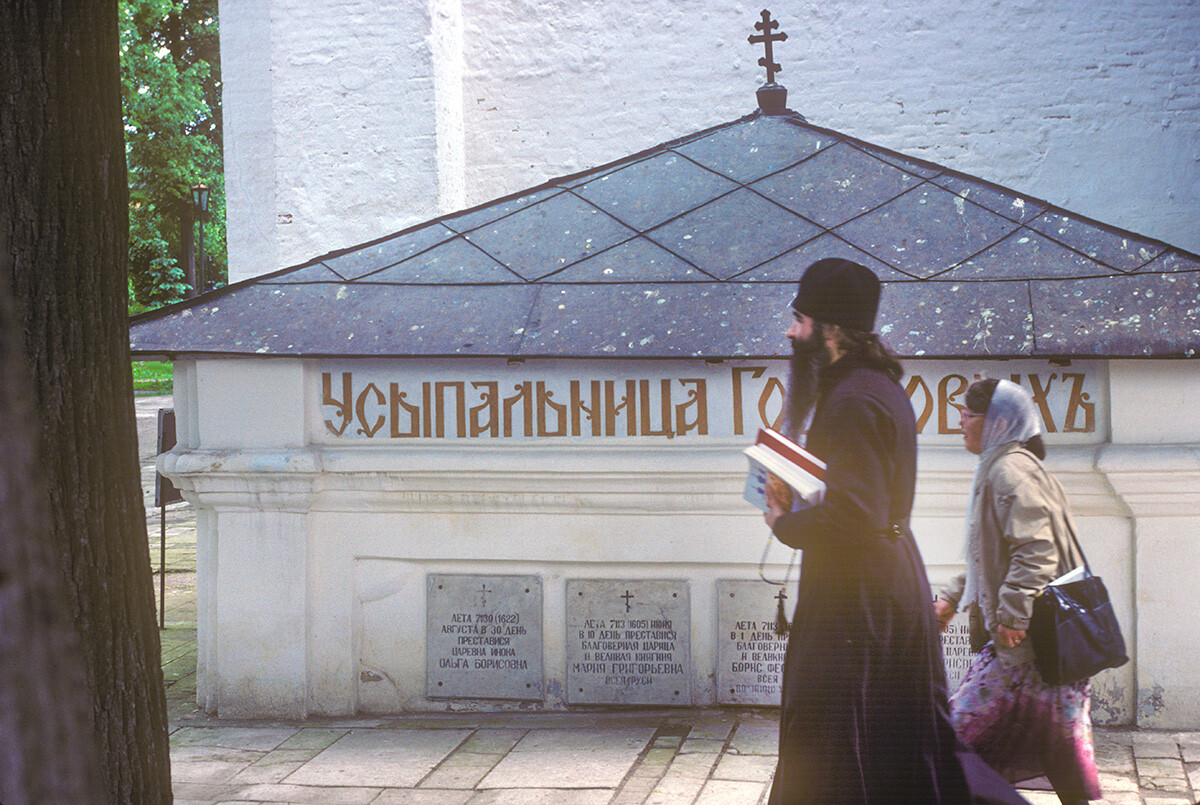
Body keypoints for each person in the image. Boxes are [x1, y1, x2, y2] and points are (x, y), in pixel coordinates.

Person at [763, 258, 1026, 804]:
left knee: (833, 738)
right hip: (876, 581)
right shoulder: (871, 387)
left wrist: (784, 522)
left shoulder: (855, 398)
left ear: (830, 329)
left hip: (856, 596)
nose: (791, 332)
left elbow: (857, 512)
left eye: (799, 319)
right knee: (893, 742)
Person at [935, 379, 1101, 805]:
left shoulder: (1009, 470)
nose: (960, 424)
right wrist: (953, 597)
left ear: (997, 422)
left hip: (1026, 643)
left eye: (967, 416)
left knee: (951, 737)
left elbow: (1037, 549)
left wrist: (1011, 615)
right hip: (1040, 647)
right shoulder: (1002, 464)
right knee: (1065, 755)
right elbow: (988, 555)